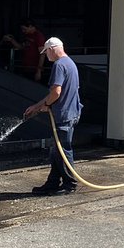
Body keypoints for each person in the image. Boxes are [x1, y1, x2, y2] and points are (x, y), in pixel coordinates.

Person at [23, 37, 83, 195]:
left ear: (52, 49)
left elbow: (56, 92)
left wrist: (47, 105)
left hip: (64, 114)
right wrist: (37, 107)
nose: (46, 56)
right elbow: (54, 93)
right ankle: (53, 183)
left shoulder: (59, 65)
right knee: (56, 151)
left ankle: (70, 184)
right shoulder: (70, 63)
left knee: (63, 150)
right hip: (71, 112)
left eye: (46, 52)